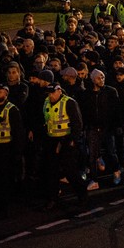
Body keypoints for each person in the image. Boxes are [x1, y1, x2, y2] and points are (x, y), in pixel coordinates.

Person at [40, 72, 88, 209]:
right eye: (48, 93)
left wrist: (72, 140)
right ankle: (52, 198)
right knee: (51, 171)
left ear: (59, 91)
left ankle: (82, 195)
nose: (50, 95)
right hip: (51, 140)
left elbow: (77, 123)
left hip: (66, 141)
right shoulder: (46, 102)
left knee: (70, 171)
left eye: (52, 92)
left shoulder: (69, 102)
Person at [0, 80, 26, 218]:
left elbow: (18, 132)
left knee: (3, 179)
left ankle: (3, 208)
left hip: (6, 148)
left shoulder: (11, 110)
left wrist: (17, 152)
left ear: (6, 94)